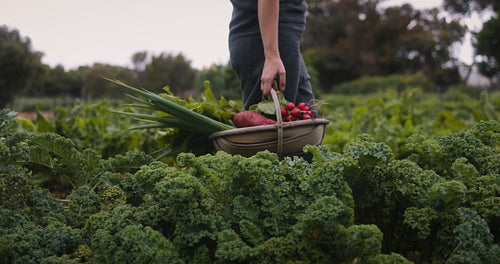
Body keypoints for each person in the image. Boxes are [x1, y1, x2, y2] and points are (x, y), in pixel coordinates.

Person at [228, 0, 315, 110]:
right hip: (267, 39)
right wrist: (271, 55)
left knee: (306, 116)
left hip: (274, 37)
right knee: (275, 121)